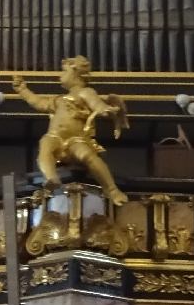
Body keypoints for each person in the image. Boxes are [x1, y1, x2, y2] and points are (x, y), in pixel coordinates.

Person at [13, 55, 130, 206]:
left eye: (64, 71)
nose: (60, 75)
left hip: (76, 139)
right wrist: (23, 90)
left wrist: (105, 110)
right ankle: (51, 178)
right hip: (55, 136)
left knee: (88, 156)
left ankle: (112, 190)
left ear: (76, 73)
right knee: (45, 145)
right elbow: (38, 102)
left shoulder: (85, 92)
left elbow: (96, 104)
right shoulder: (59, 100)